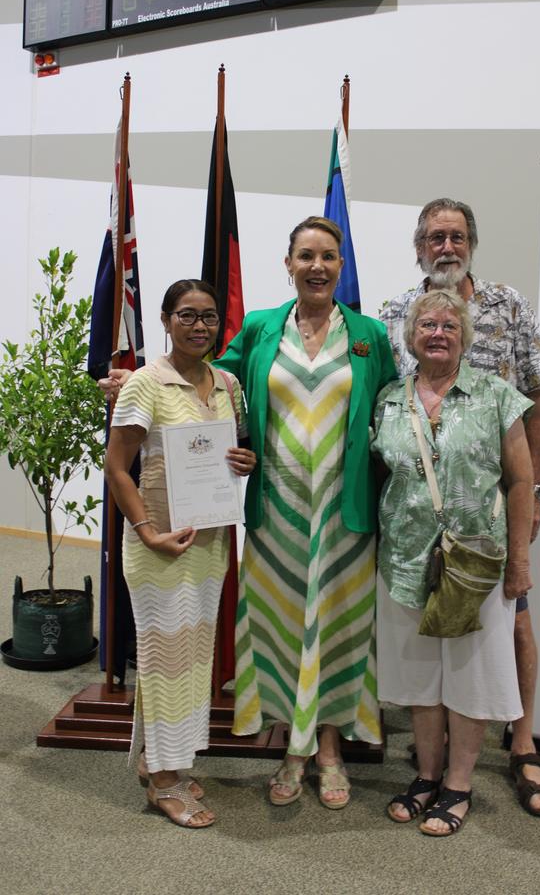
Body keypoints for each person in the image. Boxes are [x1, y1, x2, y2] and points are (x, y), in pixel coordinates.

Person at [103, 217, 397, 810]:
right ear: (288, 264)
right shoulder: (261, 328)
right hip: (275, 508)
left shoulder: (370, 335)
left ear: (342, 266)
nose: (318, 266)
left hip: (345, 513)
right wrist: (129, 382)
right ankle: (292, 747)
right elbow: (208, 378)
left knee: (341, 626)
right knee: (282, 623)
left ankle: (332, 749)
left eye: (329, 256)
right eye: (306, 255)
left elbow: (390, 405)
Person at [379, 198, 540, 816]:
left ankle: (522, 743)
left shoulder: (507, 305)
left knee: (511, 623)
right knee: (429, 651)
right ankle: (434, 768)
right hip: (413, 534)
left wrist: (530, 497)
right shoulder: (395, 313)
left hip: (486, 519)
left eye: (457, 236)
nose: (447, 247)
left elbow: (535, 403)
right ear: (420, 247)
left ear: (472, 245)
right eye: (435, 237)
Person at [372, 289, 535, 835]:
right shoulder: (389, 398)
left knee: (469, 678)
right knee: (420, 678)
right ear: (410, 335)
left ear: (464, 335)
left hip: (475, 565)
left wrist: (520, 562)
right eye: (426, 325)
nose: (437, 333)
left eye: (448, 325)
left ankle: (459, 786)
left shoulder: (496, 395)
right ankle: (426, 775)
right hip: (404, 561)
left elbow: (519, 483)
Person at [104, 280, 256, 829]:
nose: (199, 326)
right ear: (166, 321)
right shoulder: (144, 383)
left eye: (210, 317)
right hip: (157, 544)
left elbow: (234, 450)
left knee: (191, 657)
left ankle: (164, 760)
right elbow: (117, 468)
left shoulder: (228, 384)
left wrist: (242, 460)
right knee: (164, 658)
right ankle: (165, 782)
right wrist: (145, 530)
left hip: (209, 540)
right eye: (187, 316)